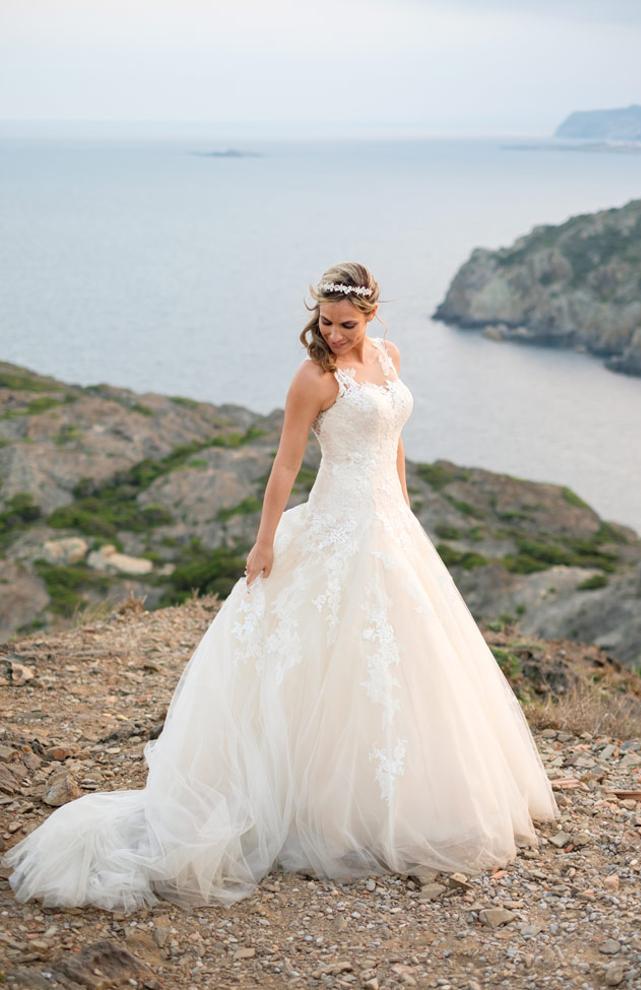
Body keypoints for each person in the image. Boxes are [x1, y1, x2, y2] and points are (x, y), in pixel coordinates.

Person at [3, 261, 560, 912]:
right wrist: (264, 540)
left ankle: (399, 801)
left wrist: (405, 511)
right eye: (325, 322)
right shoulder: (313, 377)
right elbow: (287, 463)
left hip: (390, 529)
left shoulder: (389, 354)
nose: (334, 334)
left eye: (347, 324)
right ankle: (315, 807)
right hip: (334, 525)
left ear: (371, 317)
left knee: (407, 662)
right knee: (321, 661)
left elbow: (395, 443)